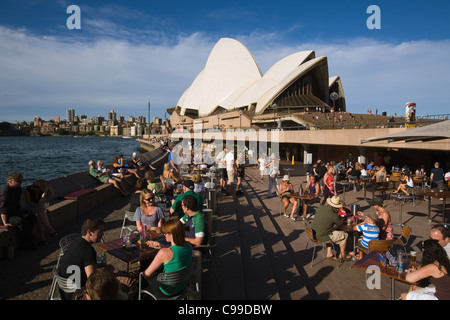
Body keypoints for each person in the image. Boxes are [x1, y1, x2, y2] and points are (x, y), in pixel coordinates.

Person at [143, 218, 193, 299]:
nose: (164, 235)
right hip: (181, 286)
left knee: (144, 274)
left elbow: (146, 274)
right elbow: (176, 254)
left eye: (165, 233)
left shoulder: (164, 253)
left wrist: (139, 274)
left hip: (166, 291)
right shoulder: (188, 246)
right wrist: (162, 246)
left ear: (172, 234)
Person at [58, 218, 107, 300]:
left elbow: (80, 263)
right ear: (89, 232)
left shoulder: (76, 241)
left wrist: (97, 265)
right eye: (100, 232)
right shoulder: (88, 251)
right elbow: (92, 282)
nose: (103, 234)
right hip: (77, 294)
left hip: (64, 291)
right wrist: (107, 272)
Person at [0, 173, 36, 250]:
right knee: (20, 221)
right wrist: (5, 222)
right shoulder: (5, 191)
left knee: (31, 216)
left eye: (21, 181)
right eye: (18, 181)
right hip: (6, 215)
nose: (20, 183)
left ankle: (26, 241)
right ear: (11, 182)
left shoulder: (18, 190)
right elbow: (3, 208)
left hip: (15, 212)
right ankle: (28, 242)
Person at [310, 195, 351, 261]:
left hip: (313, 233)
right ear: (337, 207)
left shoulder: (321, 207)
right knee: (344, 235)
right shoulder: (334, 215)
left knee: (329, 230)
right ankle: (342, 255)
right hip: (321, 236)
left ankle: (329, 253)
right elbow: (341, 225)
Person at [24, 179, 57, 245]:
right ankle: (50, 229)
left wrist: (44, 193)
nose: (33, 187)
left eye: (36, 187)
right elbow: (28, 202)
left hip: (40, 207)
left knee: (38, 215)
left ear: (41, 189)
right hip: (31, 207)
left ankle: (43, 238)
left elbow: (41, 203)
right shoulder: (27, 189)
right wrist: (37, 206)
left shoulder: (45, 191)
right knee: (38, 213)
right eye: (33, 185)